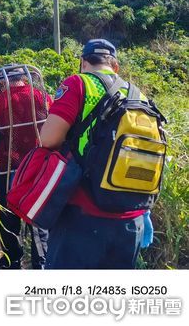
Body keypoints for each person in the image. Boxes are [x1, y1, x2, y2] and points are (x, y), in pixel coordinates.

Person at [40, 39, 146, 269]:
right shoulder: (139, 96)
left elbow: (48, 139)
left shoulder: (79, 83)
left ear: (83, 62)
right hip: (132, 218)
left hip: (84, 214)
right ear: (115, 66)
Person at [0, 65, 52, 269]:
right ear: (25, 80)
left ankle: (11, 261)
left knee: (7, 216)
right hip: (37, 166)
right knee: (37, 216)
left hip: (7, 167)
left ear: (2, 83)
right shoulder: (41, 96)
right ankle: (41, 264)